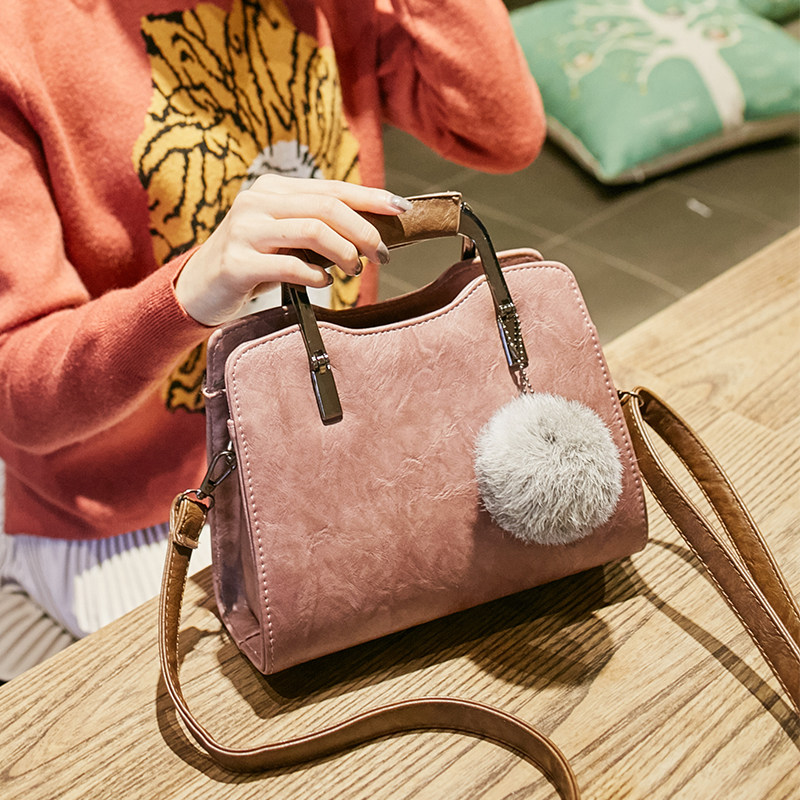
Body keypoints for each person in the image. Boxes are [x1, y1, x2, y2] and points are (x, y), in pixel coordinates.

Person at [0, 0, 545, 679]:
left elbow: (502, 133)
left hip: (332, 437)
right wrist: (189, 293)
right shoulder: (23, 41)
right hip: (136, 515)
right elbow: (17, 395)